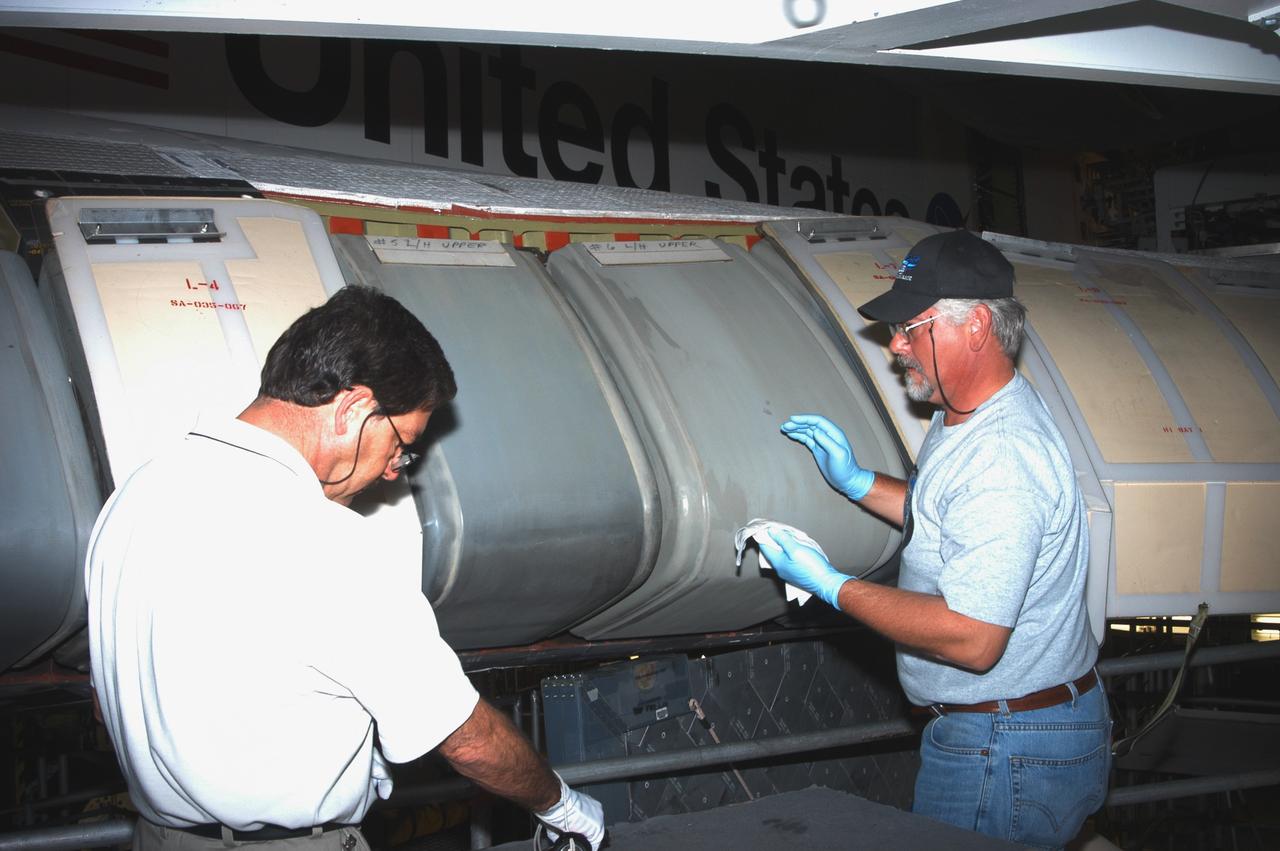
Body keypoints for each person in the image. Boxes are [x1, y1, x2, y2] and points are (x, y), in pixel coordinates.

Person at [86, 285, 604, 850]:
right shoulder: (327, 544)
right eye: (401, 445)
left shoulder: (136, 497)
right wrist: (563, 804)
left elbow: (109, 695)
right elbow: (465, 738)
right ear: (355, 409)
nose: (392, 471)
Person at [756, 230, 1109, 849]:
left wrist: (833, 585)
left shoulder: (1002, 456)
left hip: (1005, 748)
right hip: (1008, 731)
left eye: (910, 328)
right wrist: (858, 482)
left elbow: (972, 639)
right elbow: (948, 516)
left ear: (973, 326)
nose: (895, 345)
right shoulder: (969, 414)